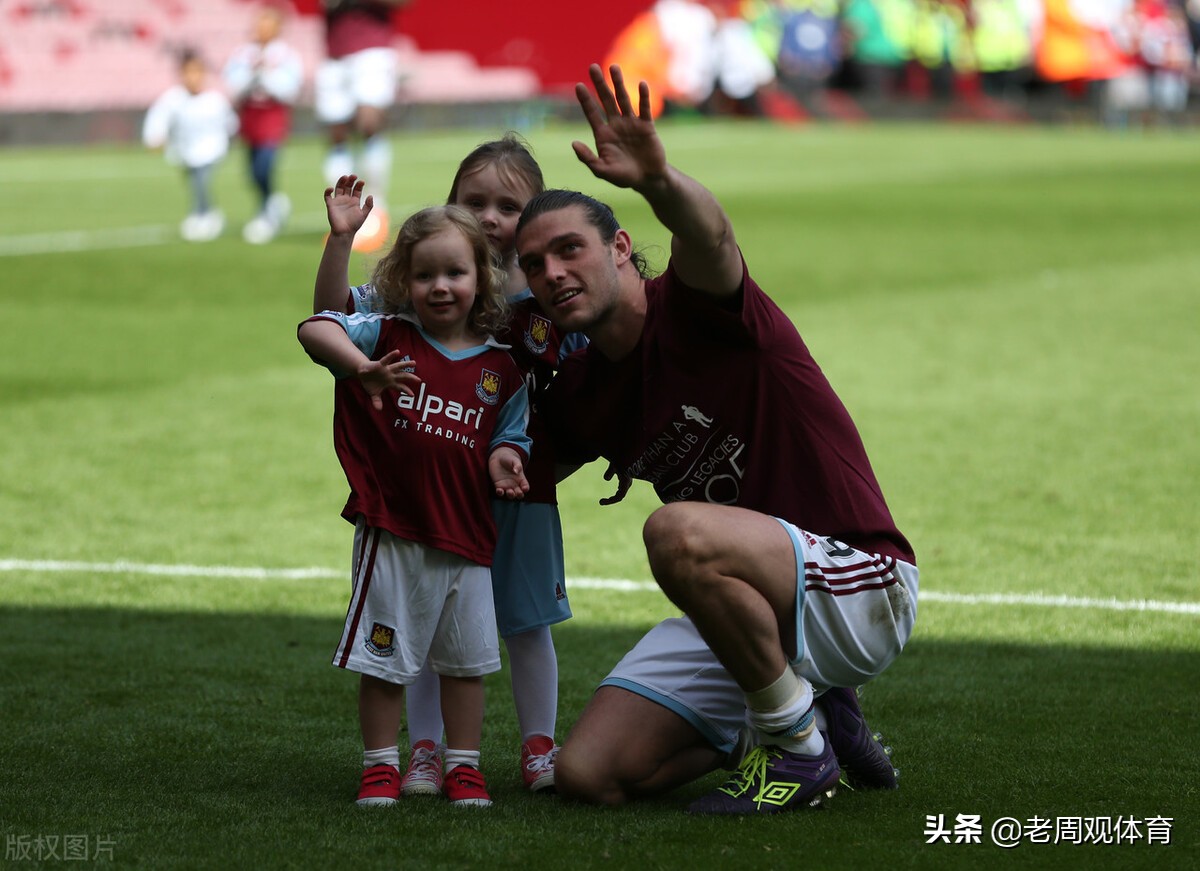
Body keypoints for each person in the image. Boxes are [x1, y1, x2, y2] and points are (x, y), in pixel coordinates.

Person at [515, 64, 918, 815]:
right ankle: (811, 710)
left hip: (858, 582)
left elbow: (711, 233)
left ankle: (797, 747)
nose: (552, 271)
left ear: (621, 246)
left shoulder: (699, 305)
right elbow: (513, 476)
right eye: (533, 265)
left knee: (676, 530)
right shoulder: (582, 392)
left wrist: (660, 179)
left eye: (570, 248)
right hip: (744, 606)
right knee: (587, 775)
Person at [314, 134, 587, 796]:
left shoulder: (549, 299)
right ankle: (429, 751)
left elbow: (591, 378)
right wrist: (342, 240)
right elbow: (327, 314)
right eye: (475, 201)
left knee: (526, 619)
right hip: (434, 497)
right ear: (452, 207)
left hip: (525, 492)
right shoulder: (421, 292)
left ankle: (538, 747)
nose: (490, 216)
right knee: (433, 622)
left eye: (508, 205)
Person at [299, 202, 532, 809]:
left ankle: (464, 767)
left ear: (481, 276)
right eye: (425, 275)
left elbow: (509, 436)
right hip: (394, 530)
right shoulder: (390, 336)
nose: (440, 286)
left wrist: (504, 460)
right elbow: (314, 328)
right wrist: (361, 369)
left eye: (455, 272)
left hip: (469, 539)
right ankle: (380, 766)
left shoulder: (501, 369)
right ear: (404, 282)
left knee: (466, 665)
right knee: (382, 664)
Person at [315, 0, 413, 252]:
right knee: (337, 135)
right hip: (334, 53)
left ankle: (376, 208)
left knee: (369, 124)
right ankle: (343, 209)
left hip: (371, 50)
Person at [222, 2, 304, 244]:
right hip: (249, 115)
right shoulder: (243, 53)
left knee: (264, 164)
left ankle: (266, 211)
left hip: (272, 115)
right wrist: (252, 75)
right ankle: (271, 202)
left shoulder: (286, 55)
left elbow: (289, 89)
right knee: (251, 169)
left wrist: (265, 76)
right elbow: (233, 84)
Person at [142, 49, 238, 242]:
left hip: (211, 150)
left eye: (197, 72)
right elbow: (158, 119)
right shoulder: (173, 99)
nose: (193, 78)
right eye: (188, 73)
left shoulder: (215, 100)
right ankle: (205, 211)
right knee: (194, 181)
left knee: (201, 180)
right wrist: (154, 138)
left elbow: (230, 124)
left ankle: (202, 214)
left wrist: (228, 140)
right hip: (185, 152)